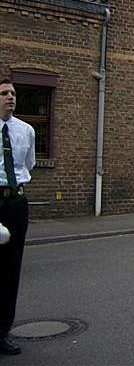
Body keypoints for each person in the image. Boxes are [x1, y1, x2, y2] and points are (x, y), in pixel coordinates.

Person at [0, 79, 35, 355]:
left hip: (16, 203)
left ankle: (3, 332)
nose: (10, 97)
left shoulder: (26, 130)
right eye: (4, 93)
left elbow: (28, 164)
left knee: (11, 270)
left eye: (12, 93)